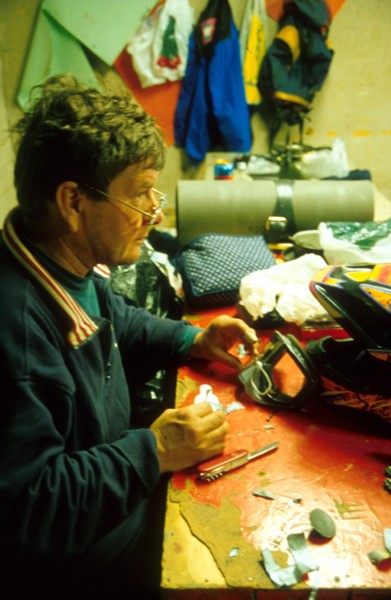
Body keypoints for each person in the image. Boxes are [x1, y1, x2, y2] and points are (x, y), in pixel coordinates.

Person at [0, 74, 259, 599]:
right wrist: (156, 449)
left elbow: (116, 316)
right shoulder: (18, 331)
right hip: (81, 564)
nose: (155, 213)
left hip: (113, 500)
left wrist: (192, 339)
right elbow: (32, 507)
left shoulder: (59, 258)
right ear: (73, 202)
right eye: (140, 194)